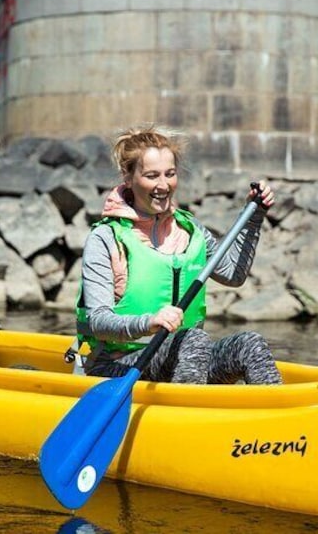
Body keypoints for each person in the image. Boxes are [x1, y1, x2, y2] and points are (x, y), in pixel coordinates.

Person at [76, 125, 282, 385]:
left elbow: (233, 275)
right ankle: (189, 417)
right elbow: (99, 321)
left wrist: (254, 216)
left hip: (183, 359)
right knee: (192, 341)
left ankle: (275, 418)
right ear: (128, 178)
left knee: (250, 345)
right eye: (152, 176)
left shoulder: (190, 230)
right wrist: (149, 322)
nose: (163, 185)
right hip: (116, 367)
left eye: (170, 174)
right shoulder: (106, 239)